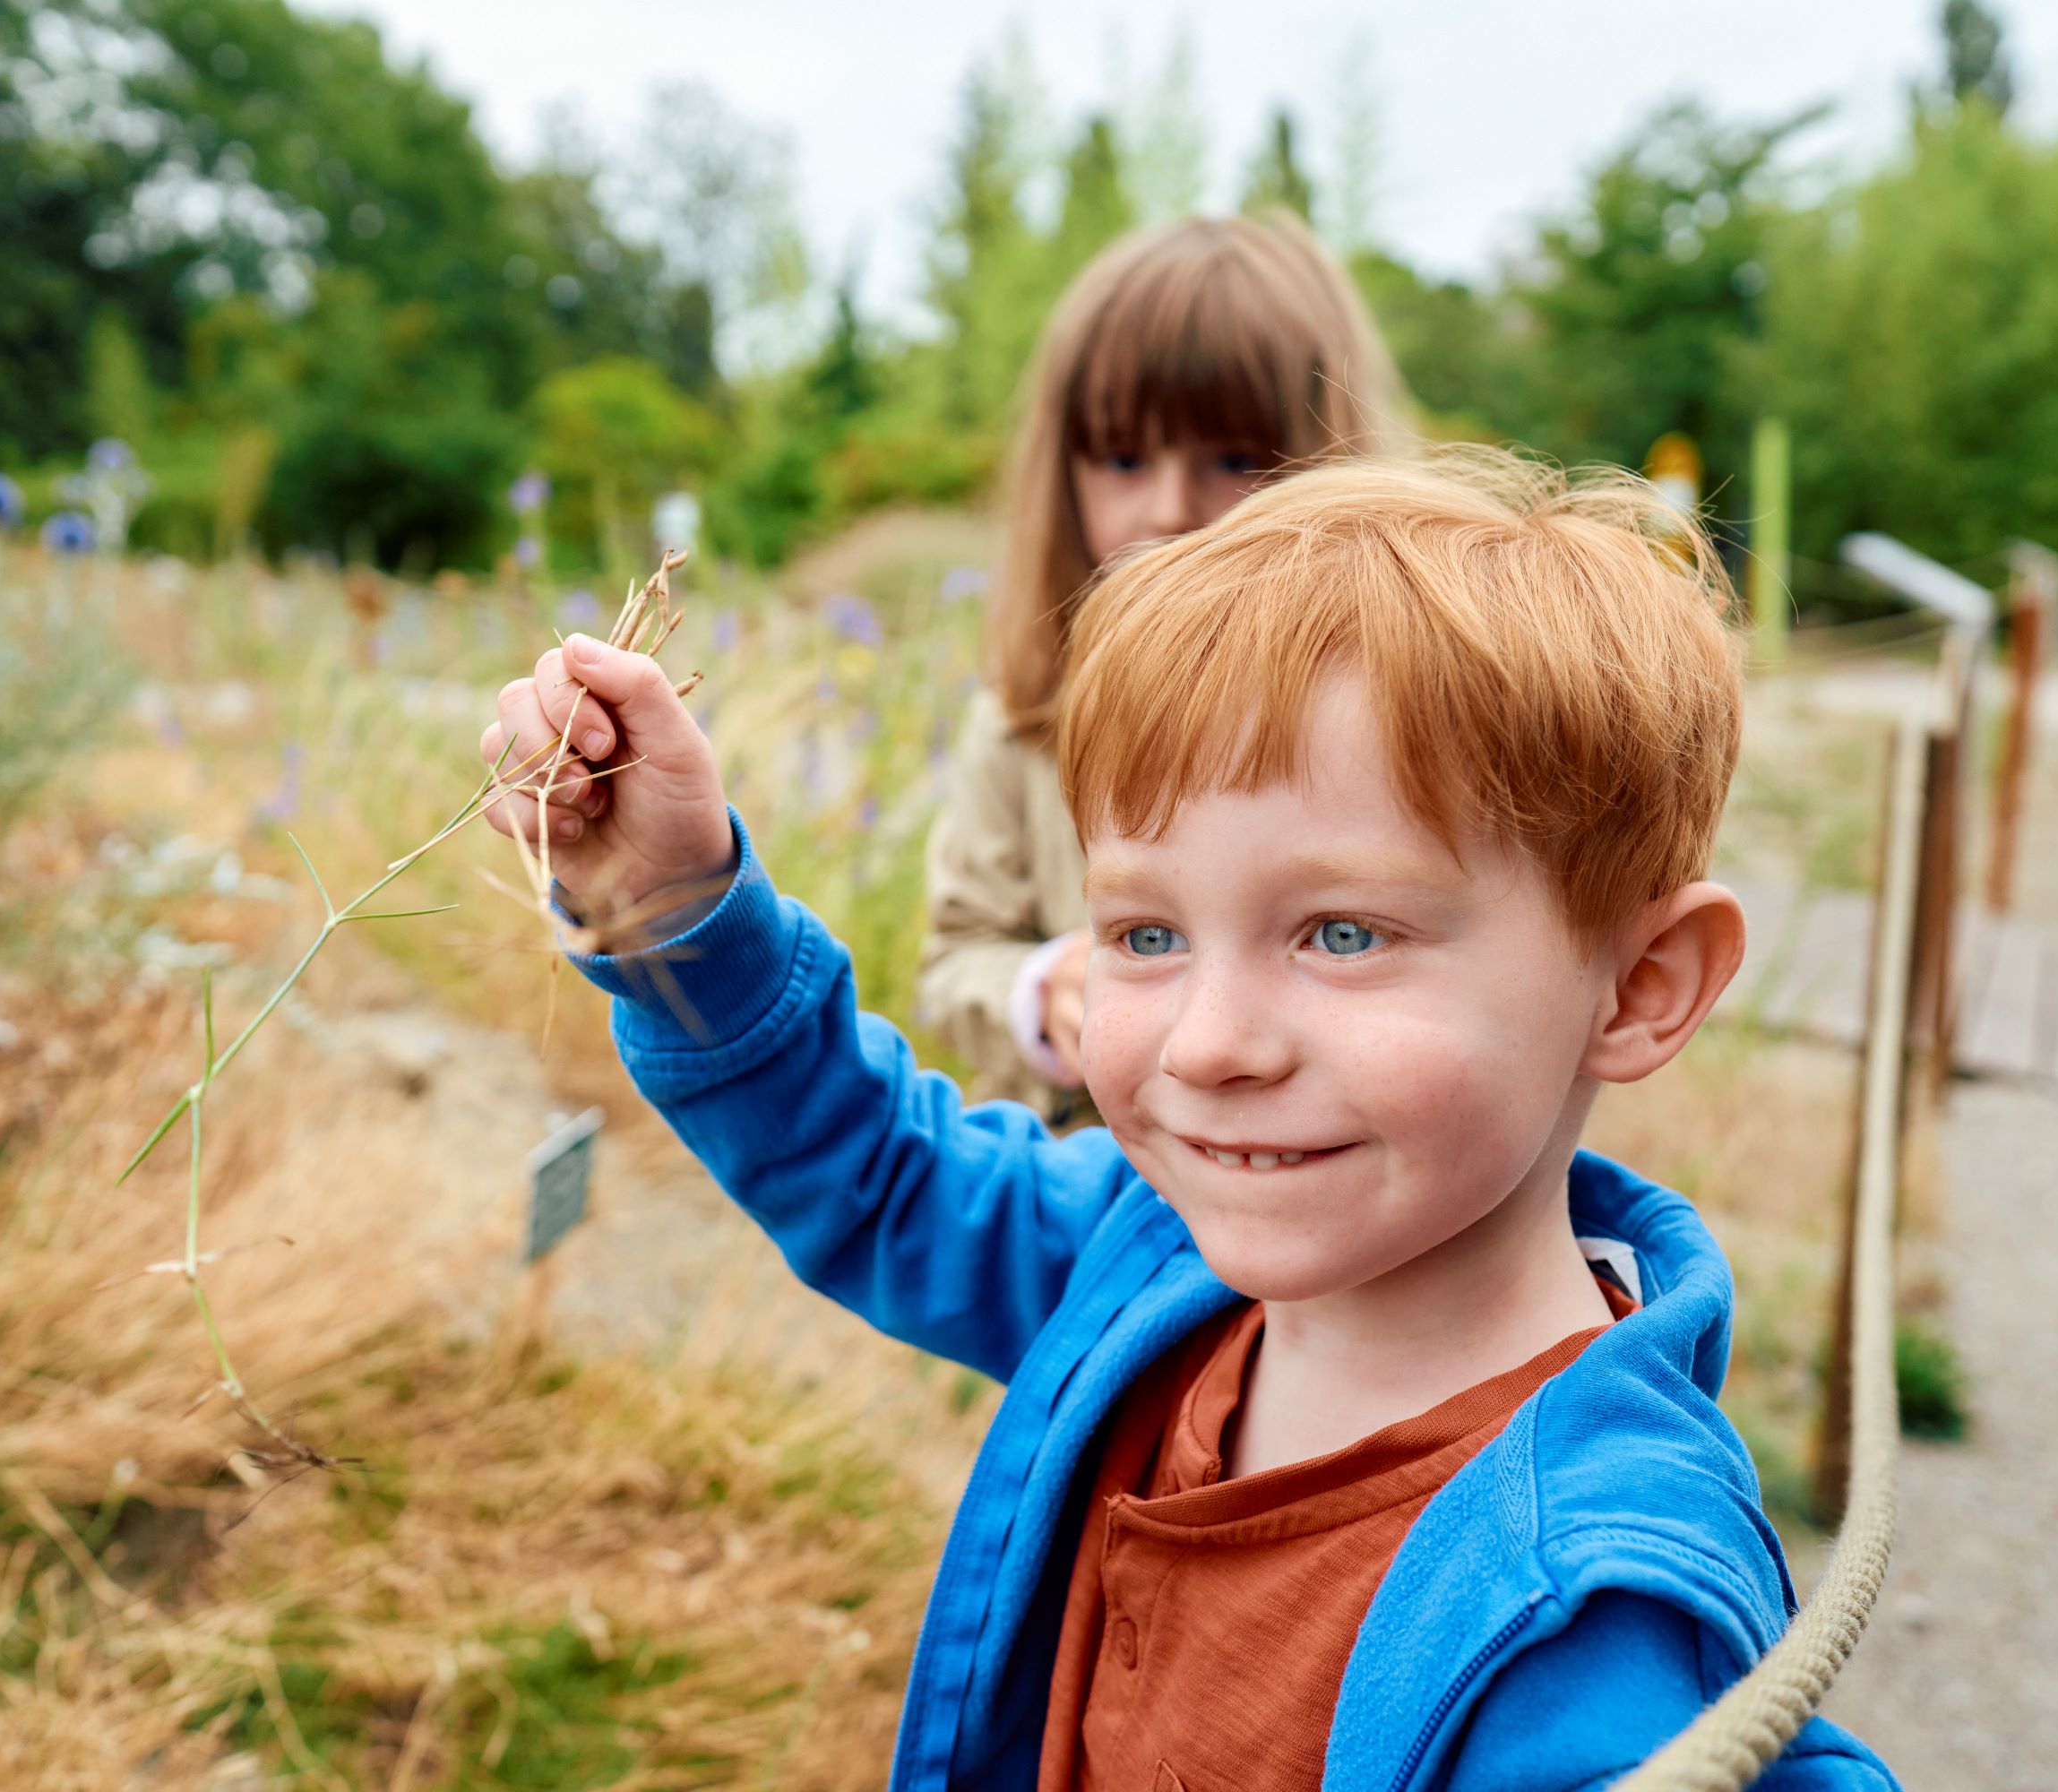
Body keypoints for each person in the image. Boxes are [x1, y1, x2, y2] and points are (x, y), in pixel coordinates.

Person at [480, 450, 1897, 1790]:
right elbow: (882, 1176)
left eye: (1344, 933)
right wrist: (670, 913)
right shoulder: (1152, 1263)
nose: (1212, 1046)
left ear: (1640, 988)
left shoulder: (1596, 1619)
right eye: (1146, 935)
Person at [919, 213, 1406, 1119]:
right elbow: (956, 955)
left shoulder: (1389, 715)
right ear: (1065, 474)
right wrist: (1039, 987)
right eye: (1123, 458)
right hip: (1093, 1186)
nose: (1171, 507)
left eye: (1232, 459)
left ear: (1325, 455)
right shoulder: (1024, 719)